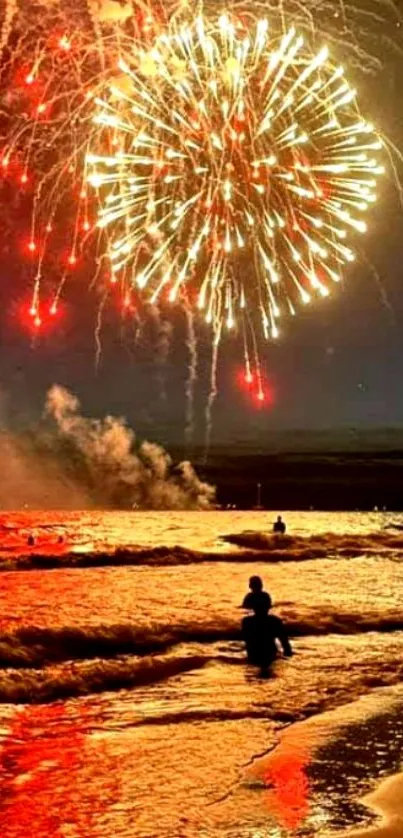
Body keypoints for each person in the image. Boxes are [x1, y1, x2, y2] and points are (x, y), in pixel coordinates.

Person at [242, 598, 292, 676]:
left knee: (256, 665)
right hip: (268, 651)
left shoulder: (247, 621)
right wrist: (288, 651)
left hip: (254, 651)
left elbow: (246, 638)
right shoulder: (274, 621)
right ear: (268, 607)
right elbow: (283, 639)